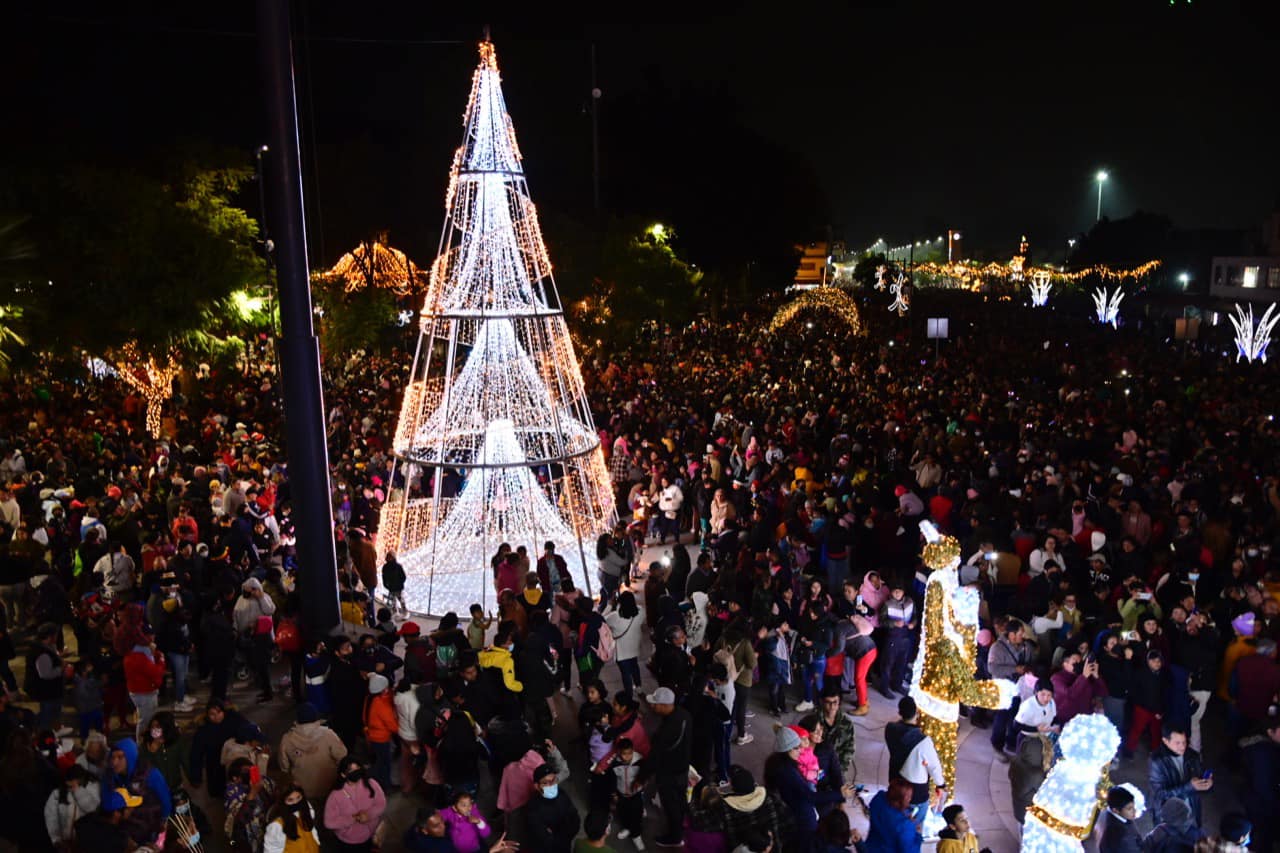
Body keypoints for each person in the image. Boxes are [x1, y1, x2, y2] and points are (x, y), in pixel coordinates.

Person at [763, 726, 854, 852]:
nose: (801, 750)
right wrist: (840, 794)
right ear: (785, 750)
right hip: (801, 818)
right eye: (796, 748)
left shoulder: (777, 763)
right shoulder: (788, 771)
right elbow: (810, 797)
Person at [636, 686, 692, 848]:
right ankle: (683, 823)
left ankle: (675, 837)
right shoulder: (684, 715)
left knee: (671, 804)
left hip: (669, 773)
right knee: (680, 800)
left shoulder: (667, 729)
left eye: (656, 704)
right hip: (682, 769)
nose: (652, 706)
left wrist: (641, 778)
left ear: (666, 705)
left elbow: (655, 757)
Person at [278, 702, 348, 800]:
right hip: (329, 788)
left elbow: (284, 767)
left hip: (302, 792)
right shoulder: (328, 735)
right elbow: (343, 756)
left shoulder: (287, 739)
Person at [1149, 724, 1210, 828]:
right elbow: (1160, 795)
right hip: (1169, 814)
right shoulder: (1157, 761)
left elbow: (1199, 778)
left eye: (1184, 742)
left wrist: (1207, 784)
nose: (1182, 747)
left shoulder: (1192, 756)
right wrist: (1189, 786)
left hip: (1191, 810)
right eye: (1177, 743)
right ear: (1165, 741)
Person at [323, 757, 386, 853]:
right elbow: (329, 822)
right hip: (349, 841)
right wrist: (353, 819)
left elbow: (381, 803)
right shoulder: (335, 796)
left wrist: (369, 815)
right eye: (351, 770)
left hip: (371, 834)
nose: (356, 772)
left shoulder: (371, 784)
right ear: (343, 775)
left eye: (357, 768)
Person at [1238, 717, 1280, 853]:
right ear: (1270, 732)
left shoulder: (1267, 747)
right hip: (1261, 803)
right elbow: (1263, 785)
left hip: (1259, 799)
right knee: (1262, 835)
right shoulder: (1262, 753)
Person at [526, 762, 581, 853]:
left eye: (553, 780)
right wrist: (565, 830)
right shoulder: (533, 808)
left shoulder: (562, 794)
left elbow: (576, 820)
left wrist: (556, 834)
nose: (551, 785)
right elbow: (544, 839)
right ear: (537, 786)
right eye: (546, 783)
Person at [44, 765, 101, 849]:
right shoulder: (57, 794)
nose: (71, 787)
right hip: (65, 842)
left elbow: (91, 809)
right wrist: (56, 839)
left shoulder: (93, 788)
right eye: (69, 785)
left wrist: (78, 791)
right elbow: (51, 817)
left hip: (87, 843)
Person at [72, 787, 141, 853]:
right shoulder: (116, 839)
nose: (132, 810)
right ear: (116, 813)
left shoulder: (85, 821)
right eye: (128, 808)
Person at [864, 777, 923, 853]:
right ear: (901, 800)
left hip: (870, 848)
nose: (910, 799)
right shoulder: (905, 825)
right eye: (909, 797)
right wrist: (917, 834)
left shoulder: (878, 798)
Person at [608, 738, 645, 849]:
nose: (626, 757)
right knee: (624, 813)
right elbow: (611, 780)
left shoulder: (640, 761)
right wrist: (614, 794)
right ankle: (627, 827)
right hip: (621, 794)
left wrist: (643, 786)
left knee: (636, 815)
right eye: (624, 754)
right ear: (619, 752)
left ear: (633, 750)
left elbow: (644, 776)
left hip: (635, 795)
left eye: (629, 753)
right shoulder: (614, 763)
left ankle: (636, 835)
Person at [363, 673, 397, 792]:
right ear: (383, 690)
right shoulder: (381, 704)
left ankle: (377, 782)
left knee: (378, 761)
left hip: (371, 736)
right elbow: (392, 725)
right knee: (384, 764)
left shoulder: (370, 698)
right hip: (381, 738)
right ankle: (385, 787)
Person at [264, 783, 321, 853]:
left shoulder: (306, 808)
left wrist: (317, 842)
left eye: (298, 797)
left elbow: (312, 829)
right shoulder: (276, 825)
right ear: (282, 802)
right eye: (290, 800)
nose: (296, 802)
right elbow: (271, 850)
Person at [1099, 785, 1142, 853]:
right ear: (1115, 810)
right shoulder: (1120, 835)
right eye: (1129, 809)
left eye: (1134, 807)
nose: (1134, 811)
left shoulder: (1122, 817)